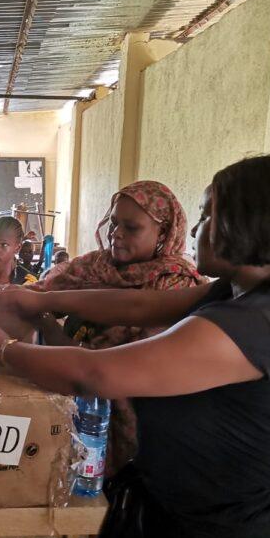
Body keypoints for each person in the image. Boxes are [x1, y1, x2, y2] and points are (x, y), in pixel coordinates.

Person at [0, 155, 270, 538]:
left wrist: (5, 349)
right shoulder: (244, 289)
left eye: (207, 216)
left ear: (246, 222)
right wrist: (36, 298)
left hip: (226, 535)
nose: (196, 229)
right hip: (177, 515)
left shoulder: (262, 322)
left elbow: (98, 375)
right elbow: (137, 306)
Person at [31, 181, 204, 470]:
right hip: (71, 417)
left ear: (163, 233)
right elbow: (40, 292)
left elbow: (108, 369)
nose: (116, 234)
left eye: (131, 227)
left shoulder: (175, 286)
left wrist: (48, 327)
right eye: (113, 223)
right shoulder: (95, 267)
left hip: (137, 441)